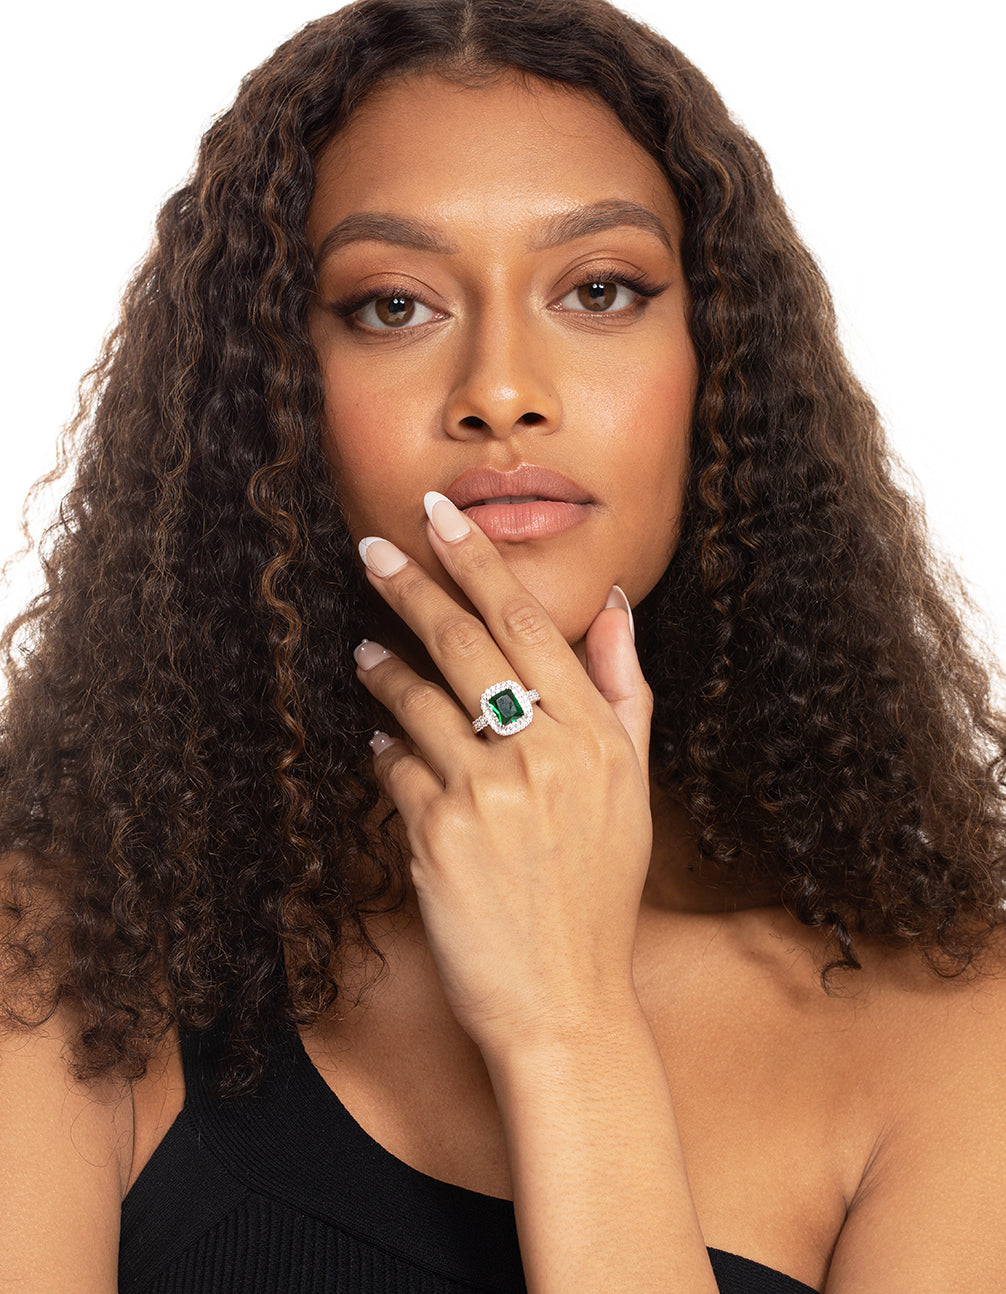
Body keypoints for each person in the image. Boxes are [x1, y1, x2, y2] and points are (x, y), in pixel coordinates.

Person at [2, 0, 1004, 1289]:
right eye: (393, 306)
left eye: (600, 291)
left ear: (720, 365)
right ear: (270, 394)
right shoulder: (64, 960)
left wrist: (566, 1021)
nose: (502, 391)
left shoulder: (951, 1031)